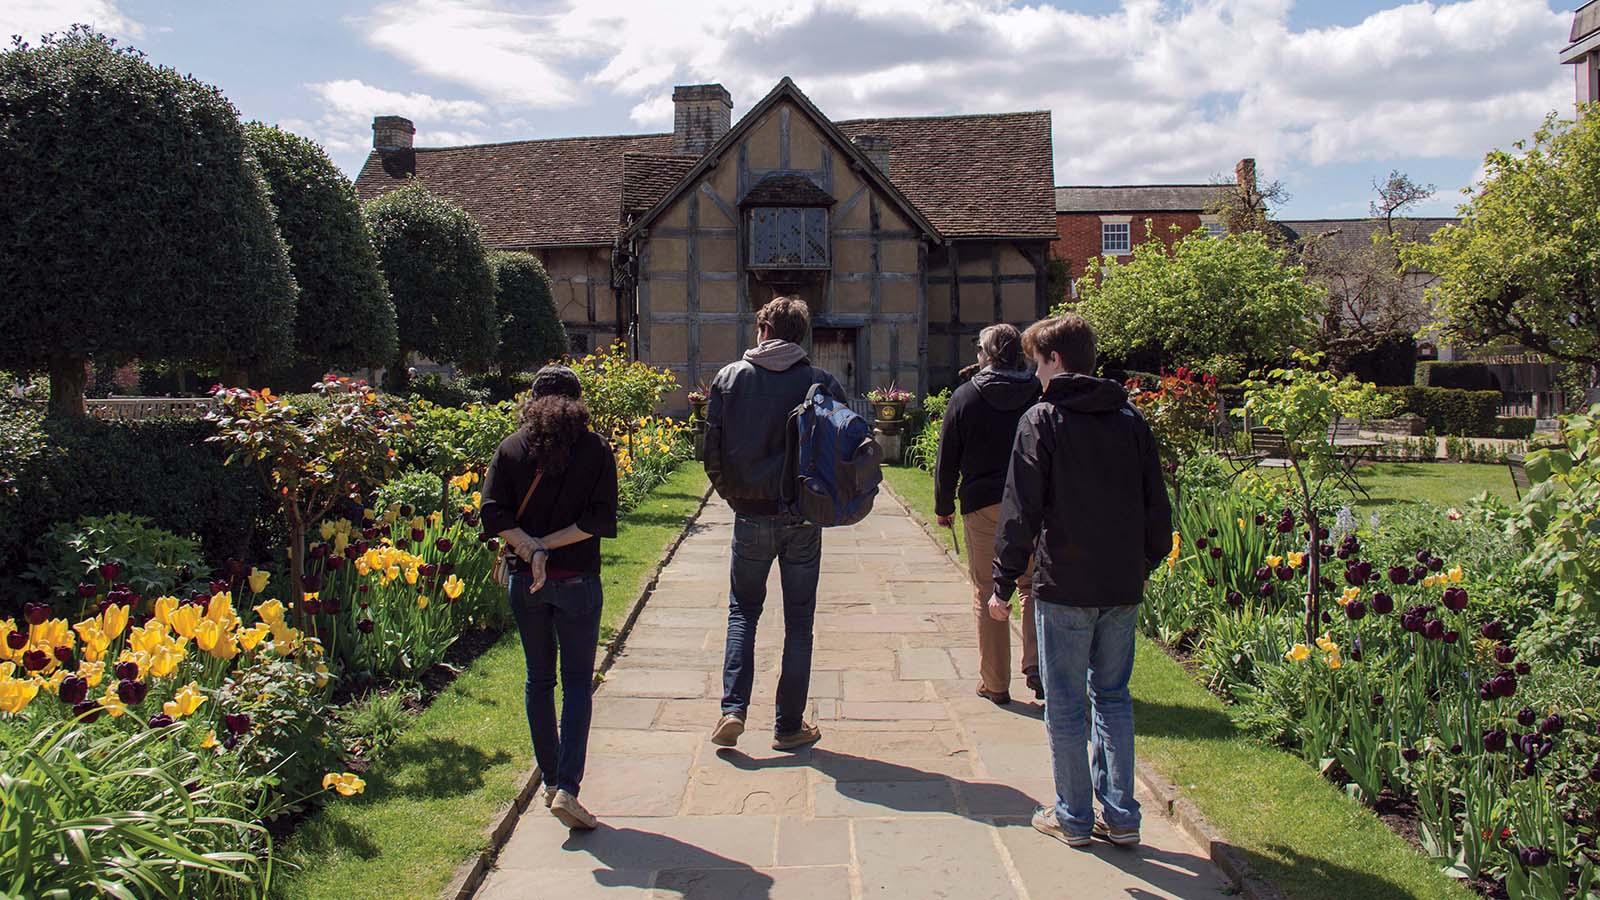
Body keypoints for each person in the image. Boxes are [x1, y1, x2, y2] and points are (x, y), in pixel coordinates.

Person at [989, 314, 1171, 849]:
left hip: (1064, 582)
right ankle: (1121, 815)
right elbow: (1155, 506)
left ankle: (1072, 815)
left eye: (1038, 363)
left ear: (1057, 360)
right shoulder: (1131, 420)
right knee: (1112, 696)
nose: (1035, 375)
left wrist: (1002, 581)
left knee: (1066, 702)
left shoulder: (1041, 420)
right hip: (1119, 583)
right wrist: (1146, 561)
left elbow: (1020, 511)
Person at [704, 295, 847, 752]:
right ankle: (788, 726)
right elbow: (842, 451)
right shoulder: (820, 382)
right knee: (799, 621)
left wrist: (733, 495)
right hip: (802, 516)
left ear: (763, 329)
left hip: (751, 513)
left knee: (743, 611)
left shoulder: (730, 378)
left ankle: (733, 709)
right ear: (801, 334)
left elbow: (711, 455)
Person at [481, 365, 619, 831]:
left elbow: (493, 513)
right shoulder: (595, 449)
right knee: (578, 682)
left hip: (528, 582)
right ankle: (567, 787)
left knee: (539, 679)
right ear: (578, 402)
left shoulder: (512, 448)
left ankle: (550, 779)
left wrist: (532, 548)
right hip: (578, 579)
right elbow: (599, 520)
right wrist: (551, 546)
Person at [934, 324, 1042, 704]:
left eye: (979, 349)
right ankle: (1036, 665)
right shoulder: (1036, 392)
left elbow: (947, 458)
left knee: (988, 590)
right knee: (1032, 585)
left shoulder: (966, 396)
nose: (976, 355)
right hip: (1031, 502)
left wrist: (943, 507)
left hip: (983, 504)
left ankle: (995, 683)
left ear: (988, 354)